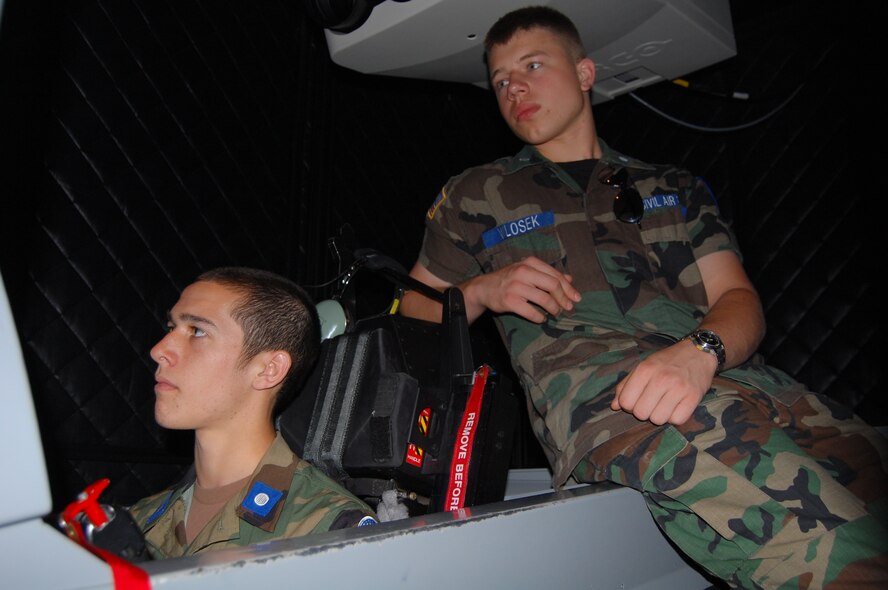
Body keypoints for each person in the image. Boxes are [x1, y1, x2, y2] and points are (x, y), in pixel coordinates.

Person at [399, 6, 887, 588]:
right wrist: (480, 290)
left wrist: (698, 351)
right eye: (501, 80)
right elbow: (414, 317)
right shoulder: (474, 194)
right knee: (842, 557)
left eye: (532, 65)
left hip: (760, 388)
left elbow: (738, 299)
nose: (515, 88)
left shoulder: (671, 184)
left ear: (584, 73)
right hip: (625, 412)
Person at [127, 267, 377, 559]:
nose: (159, 350)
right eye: (172, 328)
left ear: (268, 370)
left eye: (197, 331)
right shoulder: (139, 523)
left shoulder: (329, 532)